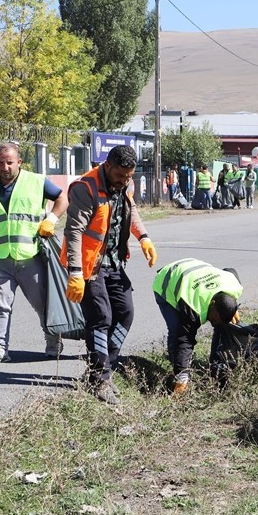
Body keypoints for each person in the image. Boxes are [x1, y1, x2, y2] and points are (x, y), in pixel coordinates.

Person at [62, 145, 158, 405]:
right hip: (87, 267)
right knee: (101, 317)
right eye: (121, 175)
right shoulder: (86, 188)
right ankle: (100, 379)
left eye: (129, 176)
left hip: (114, 262)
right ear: (108, 165)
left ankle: (103, 366)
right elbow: (73, 232)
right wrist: (75, 273)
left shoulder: (126, 184)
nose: (125, 181)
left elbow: (131, 210)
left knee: (125, 313)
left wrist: (144, 237)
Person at [0, 142, 68, 364]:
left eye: (10, 162)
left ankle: (53, 342)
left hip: (32, 256)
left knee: (42, 305)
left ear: (19, 162)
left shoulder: (37, 181)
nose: (5, 167)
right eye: (1, 162)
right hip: (1, 259)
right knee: (0, 305)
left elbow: (62, 198)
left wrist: (52, 219)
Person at [152, 259, 242, 395]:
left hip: (193, 269)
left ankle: (215, 364)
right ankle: (177, 368)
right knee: (177, 330)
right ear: (211, 304)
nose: (214, 323)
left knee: (224, 325)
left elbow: (230, 271)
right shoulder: (192, 307)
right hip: (166, 280)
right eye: (214, 319)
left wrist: (231, 308)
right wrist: (182, 376)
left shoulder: (233, 285)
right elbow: (185, 341)